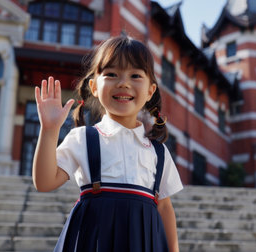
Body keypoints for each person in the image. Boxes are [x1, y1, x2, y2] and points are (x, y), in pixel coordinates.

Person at [32, 36, 183, 252]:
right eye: (111, 74)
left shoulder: (158, 152)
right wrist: (49, 130)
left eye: (135, 75)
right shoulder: (83, 137)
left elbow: (165, 207)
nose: (123, 83)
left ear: (150, 91)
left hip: (144, 242)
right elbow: (44, 182)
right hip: (92, 240)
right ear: (93, 86)